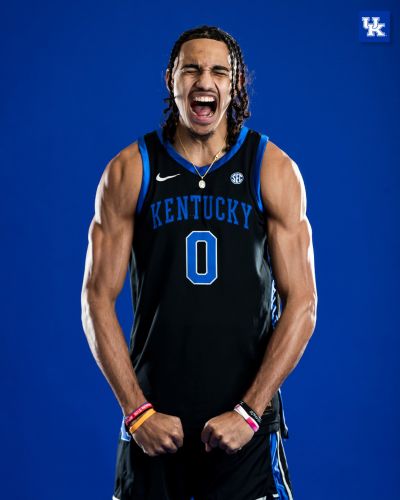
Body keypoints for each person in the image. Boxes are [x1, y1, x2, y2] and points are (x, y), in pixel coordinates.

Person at [81, 25, 317, 500]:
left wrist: (250, 412)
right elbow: (96, 299)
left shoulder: (270, 168)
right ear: (171, 79)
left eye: (218, 71)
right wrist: (136, 411)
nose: (204, 80)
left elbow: (303, 303)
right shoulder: (131, 169)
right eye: (191, 69)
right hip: (153, 427)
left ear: (236, 84)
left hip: (245, 431)